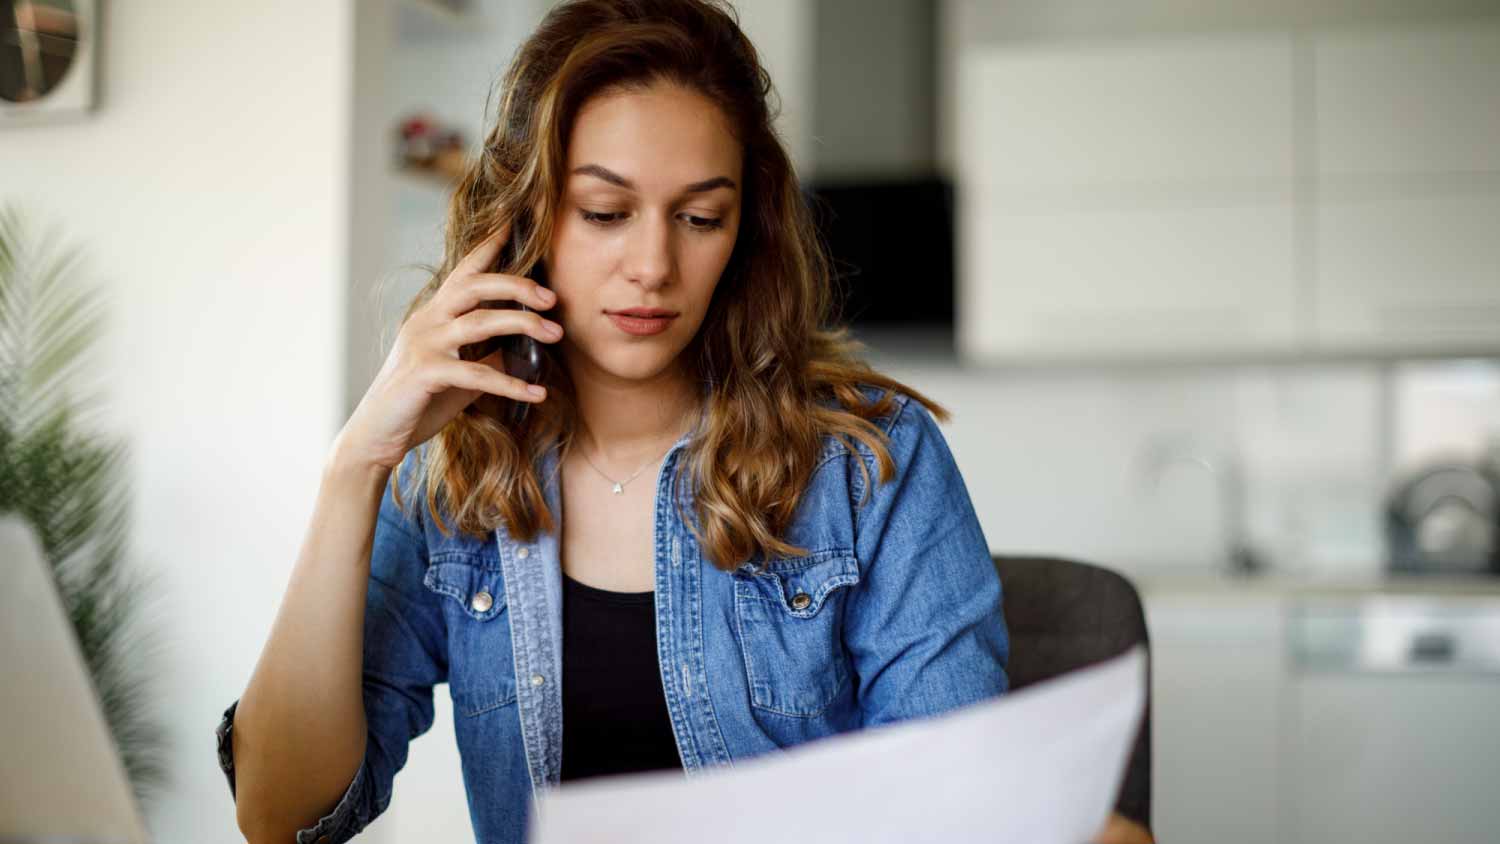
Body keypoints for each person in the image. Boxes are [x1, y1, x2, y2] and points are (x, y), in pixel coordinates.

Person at [215, 1, 1151, 842]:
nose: (653, 265)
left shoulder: (869, 463)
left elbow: (952, 811)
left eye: (699, 218)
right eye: (605, 211)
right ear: (526, 220)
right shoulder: (449, 476)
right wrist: (358, 463)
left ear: (745, 232)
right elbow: (279, 816)